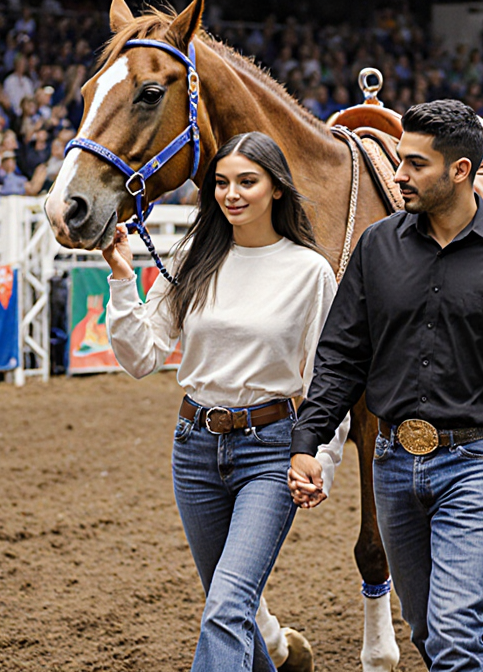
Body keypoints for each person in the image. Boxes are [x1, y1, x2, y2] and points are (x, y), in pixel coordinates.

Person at [288, 100, 483, 671]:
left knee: (452, 635)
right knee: (426, 629)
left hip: (474, 463)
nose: (397, 176)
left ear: (460, 171)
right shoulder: (376, 247)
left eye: (415, 164)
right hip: (393, 464)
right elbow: (342, 356)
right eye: (400, 161)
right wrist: (308, 442)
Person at [103, 132, 348, 671]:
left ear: (277, 189)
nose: (231, 194)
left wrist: (322, 458)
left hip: (272, 451)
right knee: (230, 608)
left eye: (246, 181)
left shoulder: (309, 271)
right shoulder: (194, 255)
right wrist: (124, 279)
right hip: (193, 448)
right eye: (221, 182)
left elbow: (330, 380)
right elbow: (141, 355)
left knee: (225, 605)